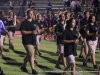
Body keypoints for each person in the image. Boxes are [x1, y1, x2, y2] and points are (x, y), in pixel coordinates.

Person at [20, 9, 39, 74]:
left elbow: (38, 31)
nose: (31, 14)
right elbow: (22, 32)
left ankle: (23, 66)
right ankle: (33, 70)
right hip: (26, 40)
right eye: (30, 13)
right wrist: (31, 32)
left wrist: (45, 30)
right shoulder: (24, 22)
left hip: (33, 40)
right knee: (31, 54)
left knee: (28, 55)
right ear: (27, 14)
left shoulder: (34, 22)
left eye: (32, 13)